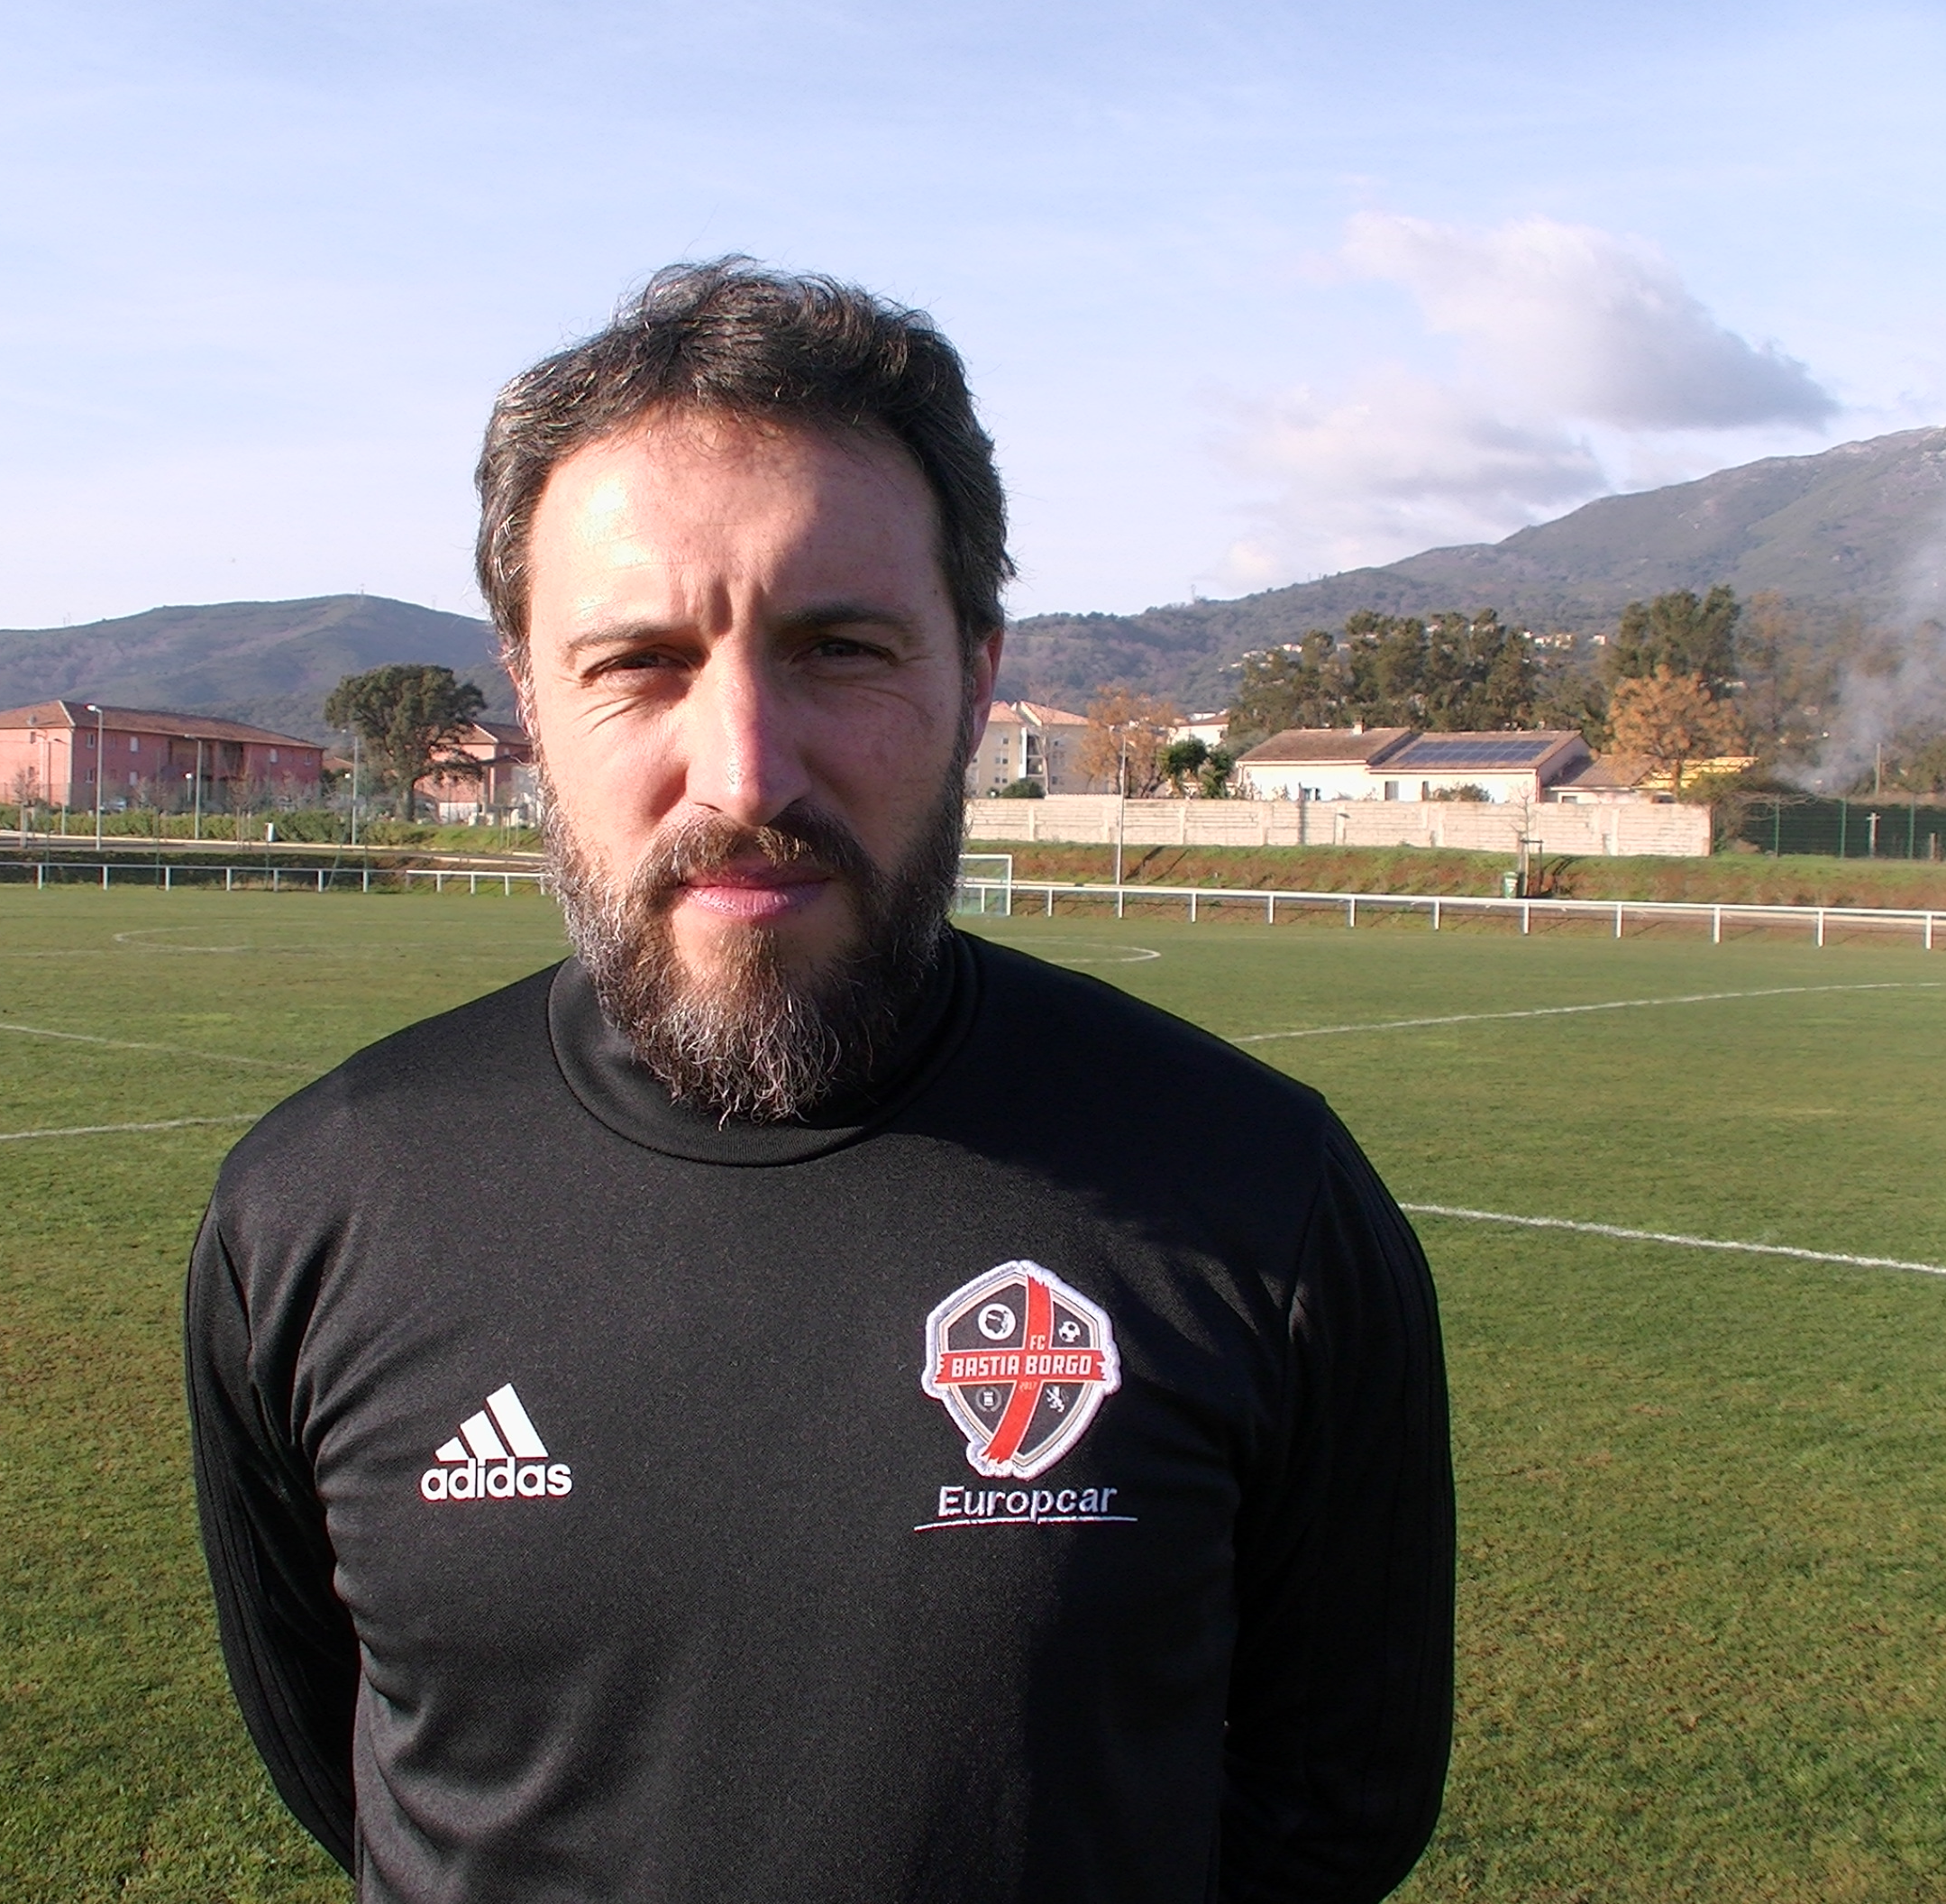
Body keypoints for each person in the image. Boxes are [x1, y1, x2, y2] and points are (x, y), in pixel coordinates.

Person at [187, 260, 1453, 1903]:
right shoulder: (317, 1207)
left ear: (975, 675)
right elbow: (350, 1764)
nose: (745, 773)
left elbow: (1333, 1803)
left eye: (840, 647)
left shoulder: (1259, 1195)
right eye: (640, 660)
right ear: (530, 701)